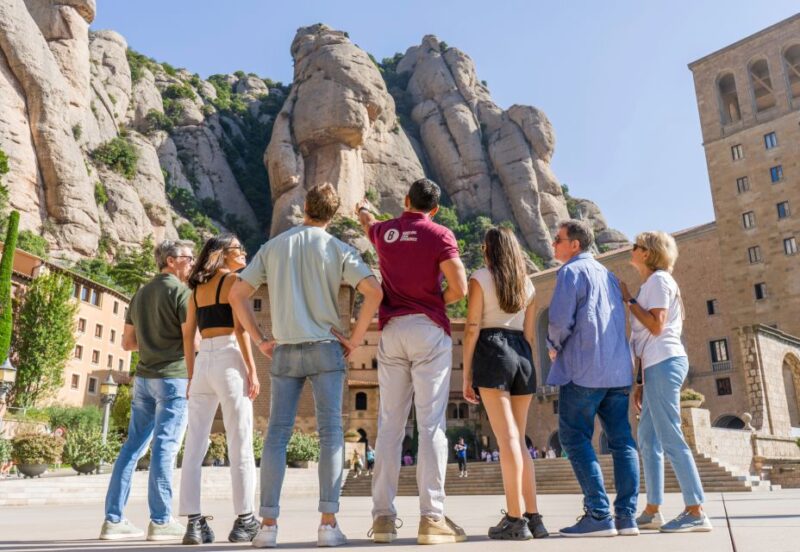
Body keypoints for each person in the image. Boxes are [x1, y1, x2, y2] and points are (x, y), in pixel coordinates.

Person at [228, 184, 383, 548]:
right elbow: (374, 291)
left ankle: (267, 526)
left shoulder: (273, 247)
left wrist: (260, 337)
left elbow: (237, 294)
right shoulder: (338, 249)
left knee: (276, 436)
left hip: (283, 349)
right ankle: (328, 525)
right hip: (327, 348)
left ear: (305, 208)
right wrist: (355, 337)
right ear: (332, 214)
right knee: (331, 434)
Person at [356, 178, 468, 545]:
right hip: (429, 330)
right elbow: (460, 287)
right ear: (433, 209)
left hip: (392, 332)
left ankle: (384, 519)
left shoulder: (385, 232)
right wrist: (436, 300)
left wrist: (362, 211)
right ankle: (431, 518)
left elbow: (368, 224)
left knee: (389, 425)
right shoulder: (439, 234)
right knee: (431, 424)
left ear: (405, 201)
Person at [546, 220, 640, 538]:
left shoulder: (571, 273)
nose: (553, 244)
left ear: (575, 244)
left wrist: (553, 346)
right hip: (617, 371)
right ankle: (627, 518)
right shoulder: (610, 276)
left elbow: (559, 320)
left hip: (584, 370)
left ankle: (599, 514)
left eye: (558, 239)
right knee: (623, 441)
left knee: (573, 438)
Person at [100, 240, 195, 541]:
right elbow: (192, 340)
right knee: (165, 447)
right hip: (172, 378)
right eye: (188, 258)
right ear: (171, 261)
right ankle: (161, 520)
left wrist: (154, 343)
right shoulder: (182, 293)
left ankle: (113, 520)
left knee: (132, 447)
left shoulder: (139, 294)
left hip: (143, 379)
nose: (192, 263)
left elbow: (127, 344)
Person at [620, 232, 712, 533]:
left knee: (670, 434)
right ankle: (652, 509)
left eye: (636, 246)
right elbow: (644, 340)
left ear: (647, 253)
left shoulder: (659, 281)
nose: (631, 250)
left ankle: (696, 509)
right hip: (654, 367)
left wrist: (629, 300)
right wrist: (641, 383)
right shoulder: (652, 284)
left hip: (665, 361)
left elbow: (656, 326)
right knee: (647, 437)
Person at [461, 226, 548, 540]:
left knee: (507, 439)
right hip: (522, 355)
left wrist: (467, 373)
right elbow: (528, 333)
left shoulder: (480, 278)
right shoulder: (528, 284)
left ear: (488, 249)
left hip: (492, 350)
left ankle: (514, 519)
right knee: (520, 440)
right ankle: (534, 517)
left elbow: (472, 327)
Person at [178, 234, 260, 545]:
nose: (244, 252)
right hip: (228, 358)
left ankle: (194, 523)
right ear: (225, 254)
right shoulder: (234, 281)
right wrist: (252, 371)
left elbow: (188, 334)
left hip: (202, 365)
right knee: (240, 441)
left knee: (194, 445)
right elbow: (240, 329)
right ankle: (245, 520)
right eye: (240, 248)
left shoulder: (196, 288)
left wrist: (190, 376)